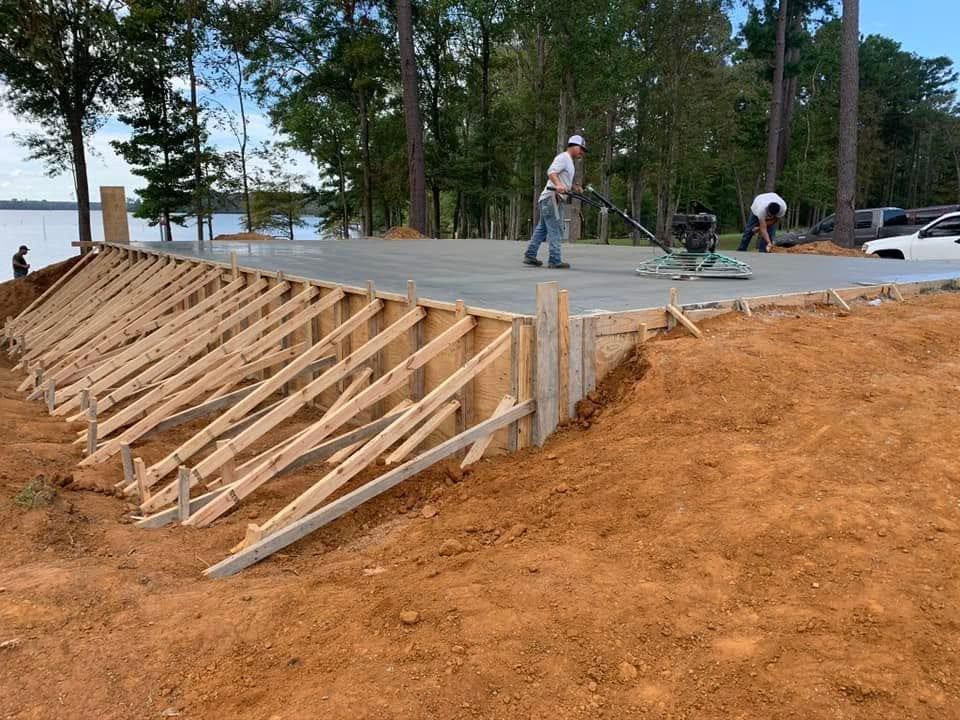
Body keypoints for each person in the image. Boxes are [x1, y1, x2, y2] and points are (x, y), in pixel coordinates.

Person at [523, 135, 588, 269]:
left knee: (542, 229)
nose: (582, 152)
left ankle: (530, 255)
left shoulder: (569, 162)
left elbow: (564, 180)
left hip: (548, 199)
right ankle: (554, 260)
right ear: (574, 146)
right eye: (581, 149)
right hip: (552, 198)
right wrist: (558, 184)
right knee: (556, 229)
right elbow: (551, 172)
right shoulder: (563, 157)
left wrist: (575, 186)